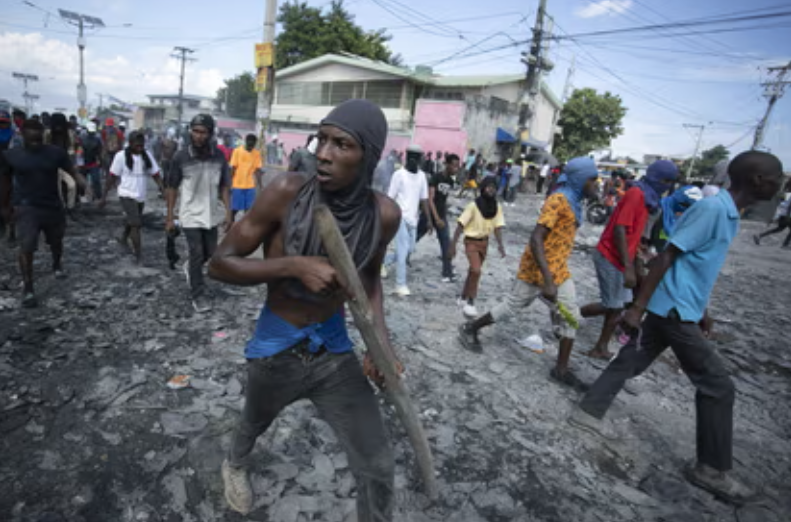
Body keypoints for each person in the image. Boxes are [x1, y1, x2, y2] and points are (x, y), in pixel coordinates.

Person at [208, 99, 401, 519]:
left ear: (367, 156)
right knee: (254, 421)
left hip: (332, 350)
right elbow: (218, 263)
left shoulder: (383, 215)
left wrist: (380, 347)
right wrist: (292, 265)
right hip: (277, 344)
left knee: (378, 464)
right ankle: (234, 463)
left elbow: (369, 282)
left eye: (341, 144)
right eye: (322, 139)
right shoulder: (285, 193)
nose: (324, 153)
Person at [571, 151, 783, 504]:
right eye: (777, 178)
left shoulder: (728, 213)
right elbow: (667, 256)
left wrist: (703, 309)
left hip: (680, 306)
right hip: (672, 310)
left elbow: (695, 265)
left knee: (632, 359)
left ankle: (587, 410)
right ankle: (710, 469)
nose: (780, 184)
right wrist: (637, 307)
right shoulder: (713, 210)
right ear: (758, 180)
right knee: (718, 386)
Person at [458, 158, 598, 388]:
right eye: (592, 179)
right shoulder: (558, 200)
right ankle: (470, 327)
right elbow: (536, 238)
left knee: (571, 315)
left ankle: (561, 369)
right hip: (538, 268)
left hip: (559, 269)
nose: (596, 184)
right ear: (580, 179)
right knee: (513, 304)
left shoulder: (574, 202)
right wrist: (548, 281)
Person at [580, 160, 679, 360]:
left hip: (622, 256)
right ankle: (571, 315)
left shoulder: (648, 199)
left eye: (671, 182)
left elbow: (631, 231)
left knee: (618, 305)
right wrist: (628, 267)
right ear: (656, 178)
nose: (668, 186)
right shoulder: (637, 194)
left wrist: (639, 252)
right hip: (610, 255)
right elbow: (619, 229)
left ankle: (600, 345)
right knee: (614, 305)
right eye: (666, 180)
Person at [0, 120, 86, 307]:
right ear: (22, 135)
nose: (35, 143)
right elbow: (5, 182)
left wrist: (79, 180)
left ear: (43, 136)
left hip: (52, 205)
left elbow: (71, 169)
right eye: (31, 139)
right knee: (27, 247)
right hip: (26, 207)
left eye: (38, 139)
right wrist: (4, 206)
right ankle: (28, 288)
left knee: (56, 241)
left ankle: (56, 264)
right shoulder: (11, 156)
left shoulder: (55, 153)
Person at [165, 114, 232, 313]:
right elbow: (171, 188)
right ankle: (198, 294)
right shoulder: (181, 156)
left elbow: (225, 187)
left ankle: (191, 269)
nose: (199, 136)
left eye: (203, 132)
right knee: (197, 252)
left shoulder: (219, 156)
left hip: (211, 213)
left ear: (210, 134)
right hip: (190, 213)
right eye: (195, 131)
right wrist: (170, 217)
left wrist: (229, 213)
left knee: (210, 253)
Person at [101, 131, 163, 264]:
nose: (140, 146)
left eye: (142, 143)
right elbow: (112, 176)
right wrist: (103, 197)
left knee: (133, 220)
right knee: (136, 224)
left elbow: (156, 174)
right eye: (137, 143)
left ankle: (123, 238)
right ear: (130, 143)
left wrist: (162, 188)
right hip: (126, 194)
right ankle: (138, 255)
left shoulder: (147, 156)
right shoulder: (121, 156)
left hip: (140, 194)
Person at [450, 176, 506, 317]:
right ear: (483, 188)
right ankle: (471, 302)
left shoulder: (496, 207)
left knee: (473, 272)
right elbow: (460, 225)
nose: (491, 190)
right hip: (471, 242)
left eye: (494, 187)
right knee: (476, 270)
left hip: (484, 243)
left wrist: (501, 245)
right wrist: (453, 245)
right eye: (488, 187)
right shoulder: (473, 206)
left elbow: (498, 227)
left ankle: (462, 297)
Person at [383, 144, 433, 296]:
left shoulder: (422, 176)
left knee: (410, 249)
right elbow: (390, 198)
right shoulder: (399, 175)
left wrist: (429, 220)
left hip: (414, 219)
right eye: (412, 157)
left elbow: (424, 199)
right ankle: (400, 285)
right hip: (400, 217)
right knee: (403, 251)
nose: (415, 161)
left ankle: (382, 262)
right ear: (408, 157)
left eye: (418, 158)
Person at [428, 153, 459, 282]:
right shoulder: (436, 178)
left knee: (446, 244)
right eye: (454, 166)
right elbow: (430, 200)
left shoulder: (450, 181)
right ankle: (388, 261)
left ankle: (447, 273)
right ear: (447, 164)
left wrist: (444, 215)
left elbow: (444, 200)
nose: (456, 168)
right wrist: (436, 219)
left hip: (441, 217)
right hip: (429, 216)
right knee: (412, 242)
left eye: (458, 166)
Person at [650, 185, 704, 252]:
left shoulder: (694, 218)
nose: (685, 209)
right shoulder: (661, 209)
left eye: (690, 207)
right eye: (684, 204)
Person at [229, 134, 263, 223]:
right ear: (246, 141)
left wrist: (260, 185)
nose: (251, 146)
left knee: (248, 209)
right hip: (237, 184)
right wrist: (229, 183)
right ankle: (230, 222)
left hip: (250, 185)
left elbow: (257, 170)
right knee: (235, 208)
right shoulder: (237, 151)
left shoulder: (256, 153)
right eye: (249, 144)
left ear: (255, 144)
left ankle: (245, 226)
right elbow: (233, 168)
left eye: (253, 145)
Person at [753, 179, 791, 249]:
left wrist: (776, 216)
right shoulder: (788, 195)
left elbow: (780, 205)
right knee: (780, 229)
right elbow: (786, 206)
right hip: (787, 216)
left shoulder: (785, 194)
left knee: (779, 229)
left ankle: (759, 235)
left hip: (783, 215)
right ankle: (785, 245)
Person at [81, 122, 104, 201]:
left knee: (96, 180)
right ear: (87, 130)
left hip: (94, 163)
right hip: (84, 163)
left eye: (92, 132)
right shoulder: (81, 139)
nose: (91, 133)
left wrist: (101, 161)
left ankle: (98, 196)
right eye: (90, 132)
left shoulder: (97, 140)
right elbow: (79, 152)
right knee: (82, 181)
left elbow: (100, 151)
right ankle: (82, 195)